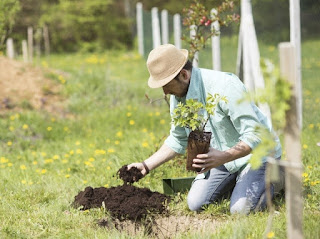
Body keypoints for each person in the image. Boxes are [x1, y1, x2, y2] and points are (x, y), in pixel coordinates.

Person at [128, 44, 283, 214]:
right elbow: (178, 139)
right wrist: (145, 166)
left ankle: (279, 178)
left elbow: (255, 134)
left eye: (166, 84)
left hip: (257, 155)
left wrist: (223, 156)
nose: (164, 91)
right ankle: (239, 183)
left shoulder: (225, 86)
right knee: (196, 203)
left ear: (184, 75)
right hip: (224, 158)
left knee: (240, 211)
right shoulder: (179, 96)